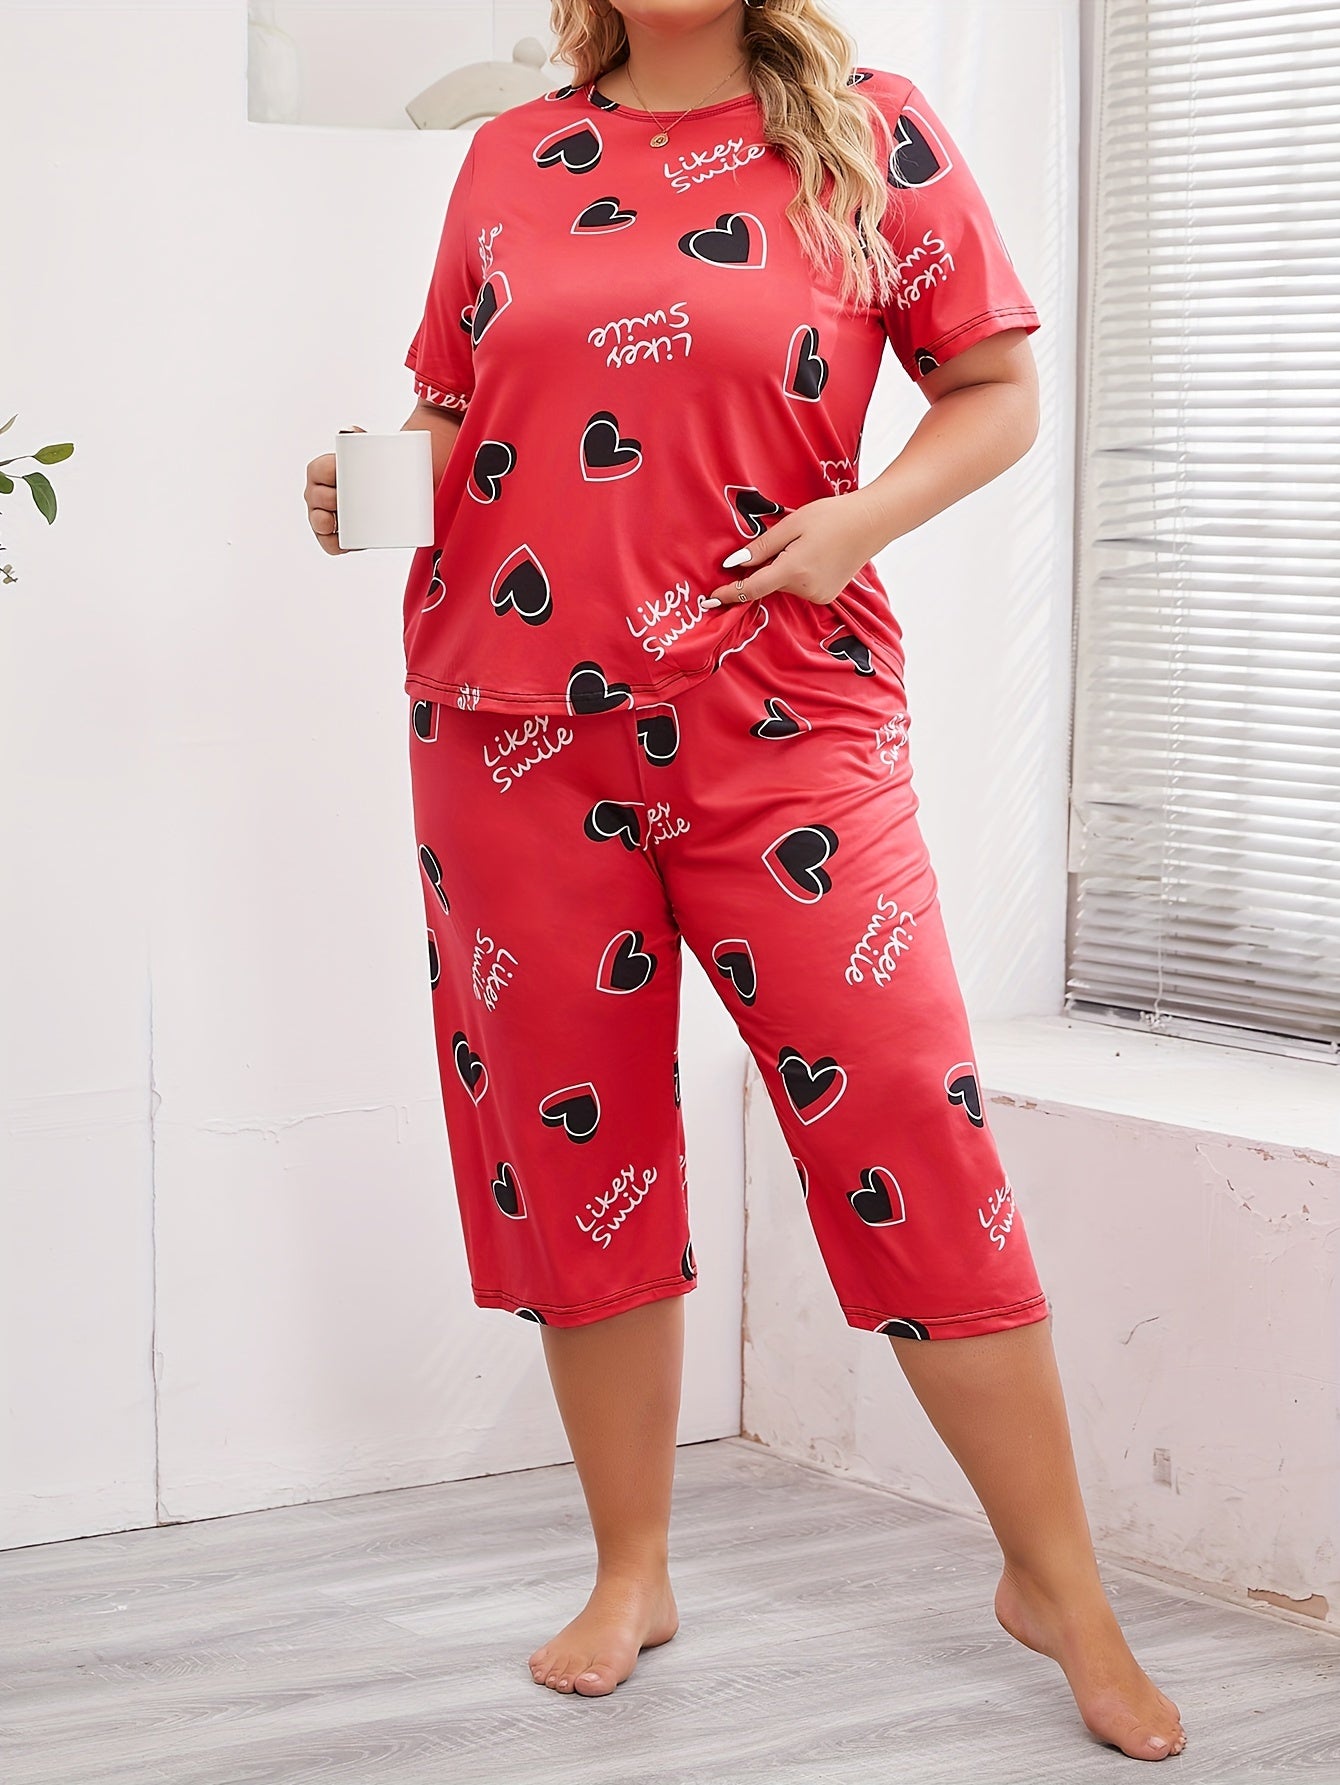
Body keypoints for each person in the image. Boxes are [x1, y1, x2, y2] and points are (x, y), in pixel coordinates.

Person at [304, 0, 1188, 1763]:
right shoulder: (511, 155)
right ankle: (630, 1569)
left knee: (906, 1118)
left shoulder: (869, 126)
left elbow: (997, 389)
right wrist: (364, 480)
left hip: (785, 715)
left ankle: (1062, 1589)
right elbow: (452, 407)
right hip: (508, 725)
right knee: (579, 1150)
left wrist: (857, 522)